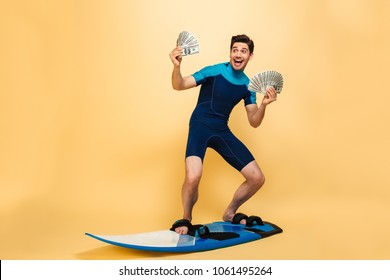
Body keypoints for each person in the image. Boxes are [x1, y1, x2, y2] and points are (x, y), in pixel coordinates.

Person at [169, 34, 277, 235]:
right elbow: (179, 85)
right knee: (193, 177)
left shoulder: (248, 85)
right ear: (230, 52)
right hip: (200, 126)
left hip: (221, 130)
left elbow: (254, 121)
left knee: (257, 178)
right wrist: (177, 67)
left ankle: (229, 212)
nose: (238, 54)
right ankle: (186, 218)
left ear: (250, 56)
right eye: (235, 50)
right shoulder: (214, 71)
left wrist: (263, 104)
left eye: (243, 51)